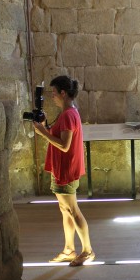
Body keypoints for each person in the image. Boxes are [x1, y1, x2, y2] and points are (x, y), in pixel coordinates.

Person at [32, 75, 95, 267]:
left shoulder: (68, 115)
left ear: (63, 93)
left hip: (66, 169)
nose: (52, 97)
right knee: (65, 210)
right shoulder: (68, 112)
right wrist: (46, 127)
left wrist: (42, 133)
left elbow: (65, 145)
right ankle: (69, 249)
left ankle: (87, 250)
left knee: (73, 210)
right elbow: (60, 135)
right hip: (62, 168)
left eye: (54, 93)